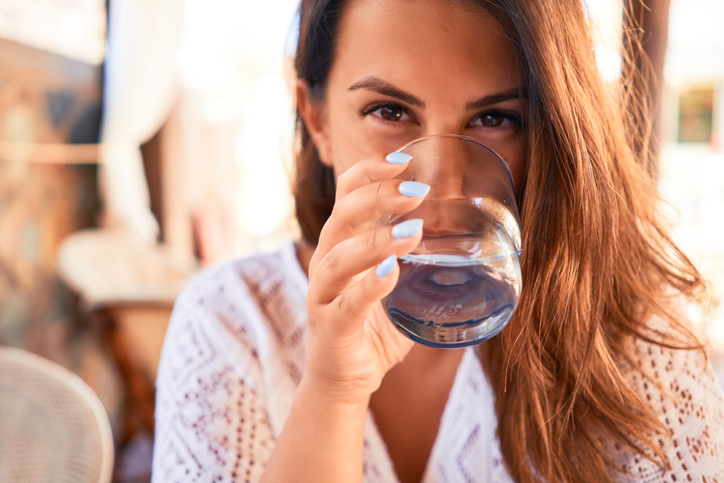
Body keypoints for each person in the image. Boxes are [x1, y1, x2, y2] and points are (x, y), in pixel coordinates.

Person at [151, 0, 724, 481]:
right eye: (390, 110)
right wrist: (333, 392)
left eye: (495, 118)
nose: (443, 185)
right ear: (318, 121)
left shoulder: (648, 363)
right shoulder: (229, 322)